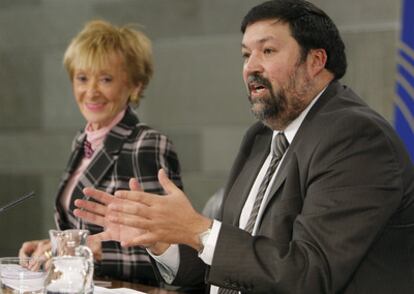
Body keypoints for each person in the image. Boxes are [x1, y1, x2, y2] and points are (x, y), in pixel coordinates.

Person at [74, 1, 414, 293]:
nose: (250, 67)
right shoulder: (261, 138)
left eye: (267, 51)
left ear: (315, 61)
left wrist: (199, 230)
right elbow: (231, 262)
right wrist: (164, 239)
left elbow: (310, 275)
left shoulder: (356, 138)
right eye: (245, 54)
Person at [18, 20, 182, 286]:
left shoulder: (146, 144)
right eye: (82, 78)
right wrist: (52, 248)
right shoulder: (81, 142)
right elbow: (80, 230)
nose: (91, 91)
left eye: (105, 79)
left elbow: (166, 255)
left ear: (134, 86)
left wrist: (90, 252)